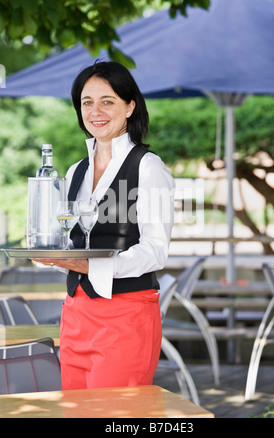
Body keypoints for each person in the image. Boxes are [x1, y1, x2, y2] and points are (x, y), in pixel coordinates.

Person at [35, 61, 175, 390]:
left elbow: (156, 251)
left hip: (126, 316)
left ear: (130, 106)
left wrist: (89, 265)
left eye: (107, 101)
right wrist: (52, 256)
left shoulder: (147, 166)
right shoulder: (74, 172)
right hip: (75, 314)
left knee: (115, 417)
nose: (95, 111)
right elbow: (70, 245)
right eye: (87, 102)